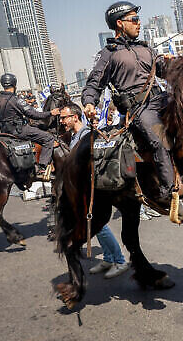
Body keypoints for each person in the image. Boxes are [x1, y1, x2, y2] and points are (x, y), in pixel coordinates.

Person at [81, 1, 183, 223]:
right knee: (161, 141)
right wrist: (88, 103)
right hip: (139, 108)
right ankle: (170, 195)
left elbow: (166, 71)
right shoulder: (109, 54)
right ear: (119, 23)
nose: (138, 23)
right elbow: (94, 84)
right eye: (134, 19)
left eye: (138, 19)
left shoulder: (146, 49)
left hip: (162, 99)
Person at [60, 103, 129, 279]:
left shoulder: (86, 135)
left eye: (64, 118)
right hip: (81, 189)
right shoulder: (75, 136)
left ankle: (120, 261)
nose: (61, 121)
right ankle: (108, 258)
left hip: (91, 189)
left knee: (100, 226)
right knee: (96, 228)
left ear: (75, 117)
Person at [0, 73, 60, 178]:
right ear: (14, 84)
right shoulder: (16, 100)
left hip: (4, 132)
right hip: (19, 131)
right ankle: (42, 167)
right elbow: (33, 114)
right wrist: (51, 113)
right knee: (48, 138)